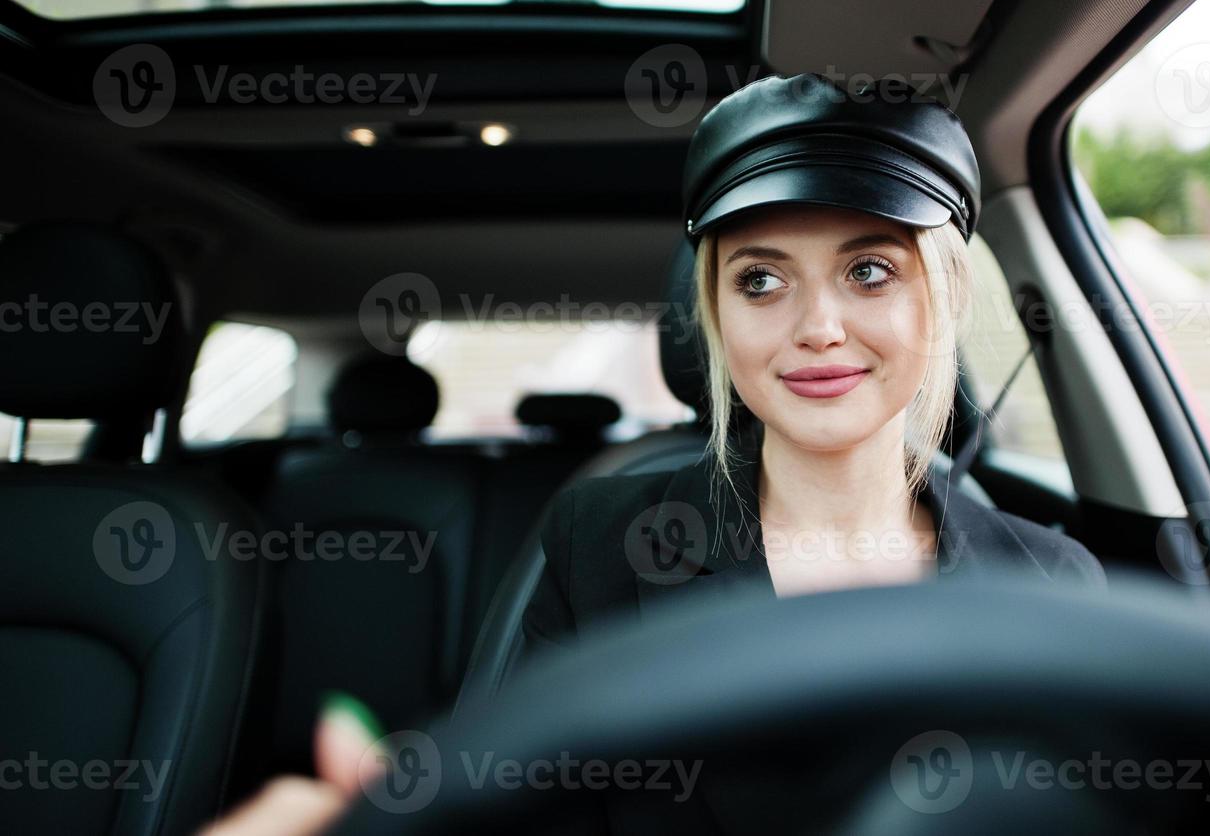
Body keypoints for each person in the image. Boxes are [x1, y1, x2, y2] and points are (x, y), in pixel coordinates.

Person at [198, 72, 1105, 834]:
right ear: (714, 317)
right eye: (761, 280)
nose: (818, 328)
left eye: (870, 270)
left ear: (939, 301)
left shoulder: (1052, 580)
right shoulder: (603, 540)